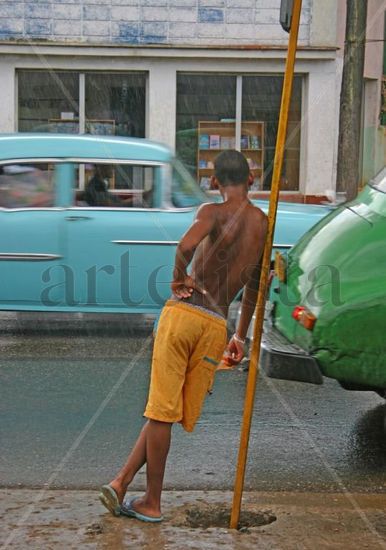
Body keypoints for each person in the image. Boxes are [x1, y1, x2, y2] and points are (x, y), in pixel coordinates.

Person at [99, 150, 268, 522]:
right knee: (166, 412)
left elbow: (186, 246)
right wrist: (240, 337)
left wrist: (179, 277)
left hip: (184, 316)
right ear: (251, 179)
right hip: (215, 327)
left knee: (161, 411)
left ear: (213, 182)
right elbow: (256, 286)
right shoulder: (262, 223)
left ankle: (152, 502)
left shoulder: (212, 212)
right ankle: (121, 482)